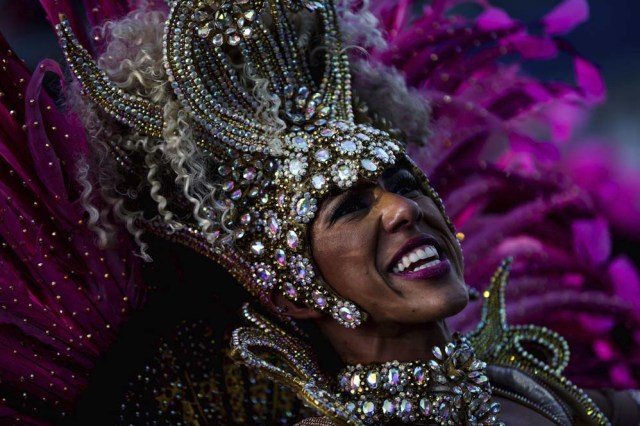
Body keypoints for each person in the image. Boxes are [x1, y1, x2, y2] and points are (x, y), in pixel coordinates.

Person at [1, 0, 639, 424]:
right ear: (295, 285)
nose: (400, 210)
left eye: (400, 181)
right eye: (348, 207)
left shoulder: (534, 391)